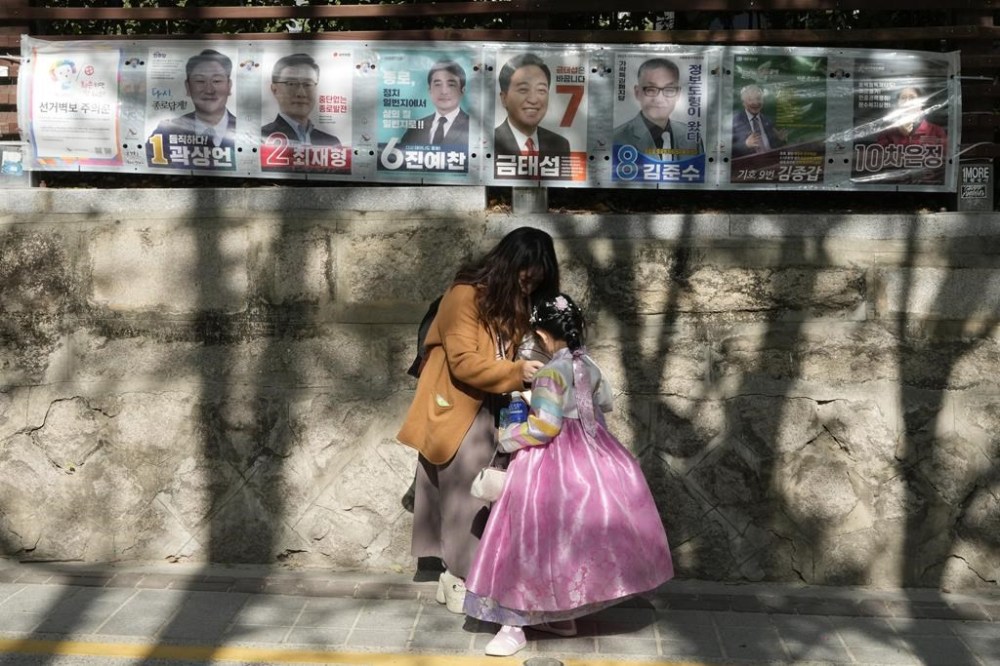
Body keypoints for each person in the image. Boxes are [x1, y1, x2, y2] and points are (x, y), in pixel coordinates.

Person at [463, 292, 674, 657]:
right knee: (568, 542)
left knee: (527, 538)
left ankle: (514, 624)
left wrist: (506, 437)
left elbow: (544, 427)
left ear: (543, 336)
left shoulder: (549, 374)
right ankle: (561, 614)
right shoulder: (588, 366)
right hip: (593, 454)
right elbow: (601, 405)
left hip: (550, 462)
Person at [396, 227, 561, 615]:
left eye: (538, 275)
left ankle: (457, 577)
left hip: (492, 403)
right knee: (466, 492)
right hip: (456, 403)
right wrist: (519, 372)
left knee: (480, 488)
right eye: (526, 271)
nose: (530, 280)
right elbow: (464, 361)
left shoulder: (513, 301)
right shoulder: (465, 295)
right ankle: (463, 579)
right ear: (508, 262)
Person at [146, 49, 237, 155]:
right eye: (200, 81)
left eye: (216, 81)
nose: (209, 90)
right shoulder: (167, 131)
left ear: (229, 86)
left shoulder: (247, 131)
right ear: (188, 87)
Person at [612, 57, 703, 157]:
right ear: (637, 93)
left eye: (669, 89)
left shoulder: (692, 138)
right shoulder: (616, 138)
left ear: (678, 94)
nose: (659, 99)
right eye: (651, 89)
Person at [494, 53, 570, 159]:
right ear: (504, 98)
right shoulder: (490, 141)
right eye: (523, 89)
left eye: (541, 90)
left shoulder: (560, 144)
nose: (533, 100)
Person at [261, 53, 340, 146]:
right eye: (291, 84)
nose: (301, 93)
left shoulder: (332, 143)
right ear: (274, 90)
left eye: (308, 84)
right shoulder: (262, 137)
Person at [399, 59, 470, 148]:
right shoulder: (415, 128)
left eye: (451, 85)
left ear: (462, 91)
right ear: (430, 90)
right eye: (438, 84)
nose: (444, 91)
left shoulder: (473, 126)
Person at [876, 86, 947, 148]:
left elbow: (943, 158)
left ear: (921, 103)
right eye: (903, 98)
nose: (907, 102)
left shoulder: (936, 131)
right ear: (898, 103)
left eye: (912, 97)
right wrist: (902, 135)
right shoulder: (886, 132)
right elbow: (880, 158)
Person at [731, 84, 784, 158]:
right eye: (750, 100)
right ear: (744, 103)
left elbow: (773, 145)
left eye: (758, 99)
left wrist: (779, 139)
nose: (755, 102)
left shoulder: (768, 120)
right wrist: (745, 145)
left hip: (772, 162)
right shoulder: (734, 121)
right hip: (749, 165)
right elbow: (726, 149)